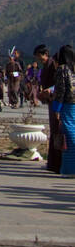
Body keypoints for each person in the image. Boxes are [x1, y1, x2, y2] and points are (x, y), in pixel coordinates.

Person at [50, 45, 75, 178]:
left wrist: (56, 109)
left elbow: (60, 90)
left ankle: (69, 169)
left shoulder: (62, 69)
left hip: (67, 104)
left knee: (68, 135)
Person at [36, 45, 62, 174]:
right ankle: (52, 162)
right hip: (51, 100)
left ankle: (56, 163)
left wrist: (49, 90)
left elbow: (58, 85)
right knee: (54, 130)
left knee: (57, 130)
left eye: (40, 56)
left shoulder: (54, 66)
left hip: (56, 100)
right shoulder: (47, 66)